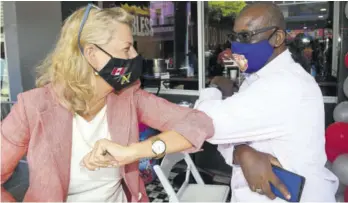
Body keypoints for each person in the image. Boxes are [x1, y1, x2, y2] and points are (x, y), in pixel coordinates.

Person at [0, 4, 214, 202]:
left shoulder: (129, 97)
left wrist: (134, 151)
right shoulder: (34, 107)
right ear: (92, 54)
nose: (135, 55)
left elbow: (199, 124)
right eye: (127, 48)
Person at [194, 2, 338, 202]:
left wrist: (214, 88)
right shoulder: (255, 80)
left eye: (245, 36)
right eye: (234, 36)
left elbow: (205, 123)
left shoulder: (284, 84)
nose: (237, 44)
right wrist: (241, 151)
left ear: (277, 38)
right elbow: (227, 137)